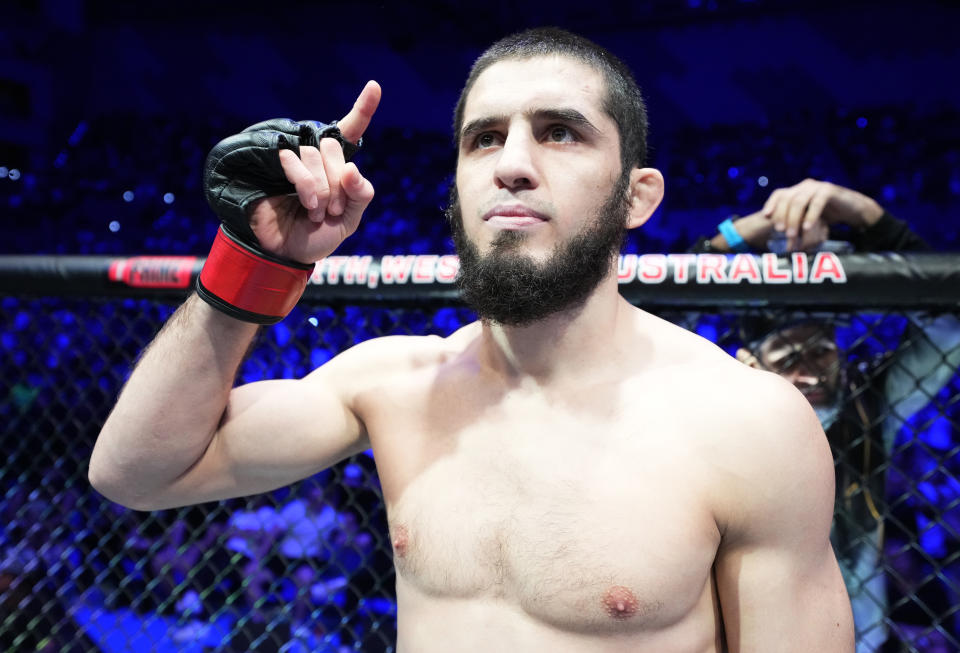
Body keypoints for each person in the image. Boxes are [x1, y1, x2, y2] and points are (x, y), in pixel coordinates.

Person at [89, 28, 855, 650]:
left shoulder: (746, 422)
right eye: (484, 139)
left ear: (636, 196)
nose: (513, 165)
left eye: (560, 133)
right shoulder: (393, 386)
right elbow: (136, 473)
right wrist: (255, 261)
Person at [692, 179, 960, 651]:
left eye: (821, 352)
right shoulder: (716, 416)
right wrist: (738, 236)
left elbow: (949, 329)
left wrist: (867, 217)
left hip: (859, 639)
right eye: (787, 355)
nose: (809, 371)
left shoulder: (867, 404)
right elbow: (645, 315)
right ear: (749, 363)